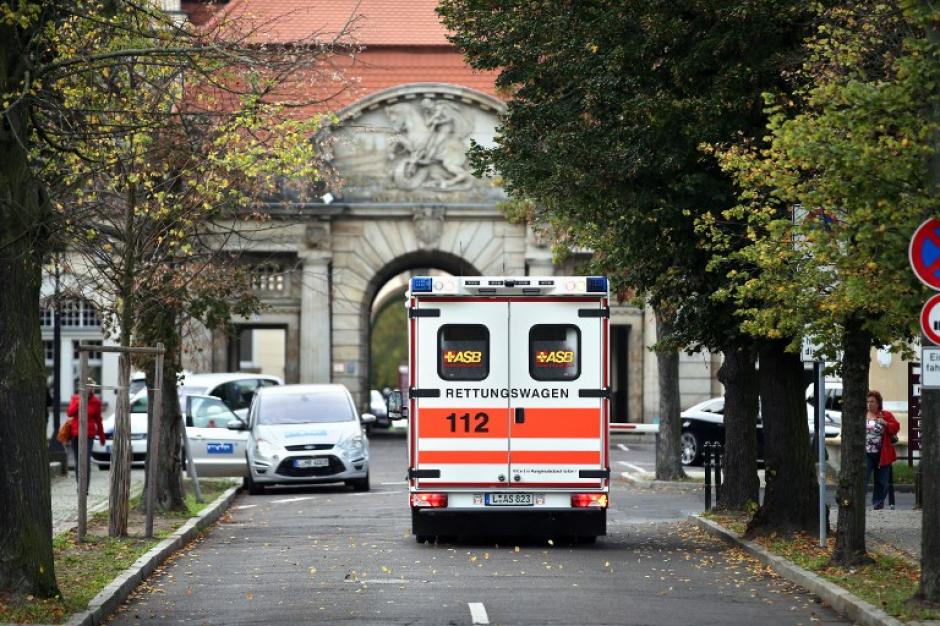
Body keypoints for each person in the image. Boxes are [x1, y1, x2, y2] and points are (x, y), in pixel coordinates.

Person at [67, 383, 106, 491]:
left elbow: (98, 420)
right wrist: (79, 403)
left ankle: (85, 488)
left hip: (88, 435)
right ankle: (79, 485)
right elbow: (70, 413)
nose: (88, 388)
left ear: (92, 389)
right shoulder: (75, 399)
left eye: (90, 386)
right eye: (86, 386)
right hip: (76, 434)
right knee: (78, 461)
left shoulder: (96, 402)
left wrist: (102, 437)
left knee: (86, 461)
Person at [864, 390, 899, 510]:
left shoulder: (885, 415)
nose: (869, 404)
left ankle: (878, 503)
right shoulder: (862, 415)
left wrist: (886, 424)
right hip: (866, 453)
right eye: (868, 401)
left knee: (882, 481)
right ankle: (859, 501)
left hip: (883, 452)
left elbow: (896, 427)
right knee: (863, 476)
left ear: (878, 403)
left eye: (872, 401)